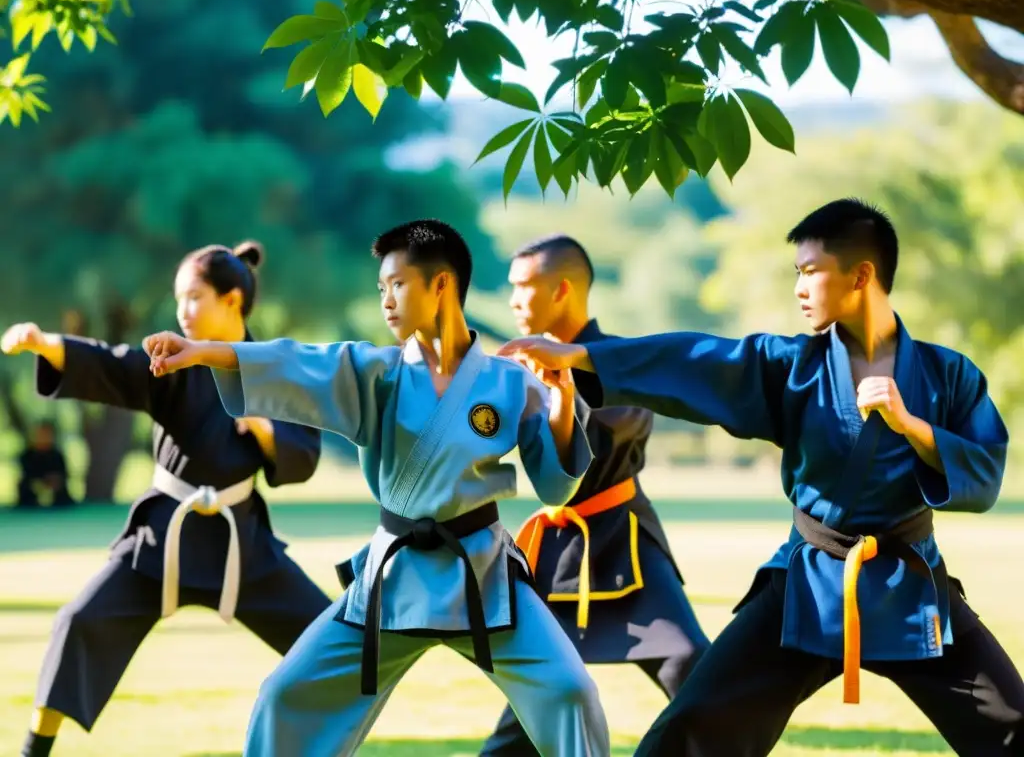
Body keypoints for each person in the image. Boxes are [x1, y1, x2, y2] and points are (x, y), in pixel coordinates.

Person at [497, 199, 1024, 756]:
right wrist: (580, 354)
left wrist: (912, 425)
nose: (798, 286)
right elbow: (697, 359)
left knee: (1013, 723)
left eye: (811, 271)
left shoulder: (949, 375)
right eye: (796, 271)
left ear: (862, 274)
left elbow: (984, 474)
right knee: (690, 728)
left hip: (912, 588)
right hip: (810, 585)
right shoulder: (791, 367)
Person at [141, 219, 611, 757]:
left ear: (442, 286)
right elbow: (295, 362)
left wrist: (561, 410)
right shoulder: (373, 372)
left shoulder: (510, 382)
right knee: (283, 695)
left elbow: (556, 486)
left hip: (483, 579)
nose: (386, 301)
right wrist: (203, 351)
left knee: (571, 692)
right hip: (393, 580)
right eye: (381, 288)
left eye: (398, 285)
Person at [2, 241, 333, 757]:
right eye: (179, 298)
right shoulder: (170, 362)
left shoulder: (275, 372)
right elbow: (116, 366)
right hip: (160, 542)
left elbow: (303, 454)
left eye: (195, 296)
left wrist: (263, 430)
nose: (183, 310)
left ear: (232, 301)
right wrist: (47, 344)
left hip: (239, 548)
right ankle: (31, 751)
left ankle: (330, 746)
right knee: (78, 624)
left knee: (331, 642)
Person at [479, 235, 710, 756]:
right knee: (531, 700)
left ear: (562, 289)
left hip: (625, 537)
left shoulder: (619, 361)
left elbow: (617, 428)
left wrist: (557, 390)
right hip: (557, 548)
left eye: (523, 287)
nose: (513, 299)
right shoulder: (516, 373)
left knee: (692, 667)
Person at [16, 420, 75, 509]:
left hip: (58, 501)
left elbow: (63, 476)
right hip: (30, 501)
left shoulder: (57, 456)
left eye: (47, 434)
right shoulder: (27, 456)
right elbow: (26, 478)